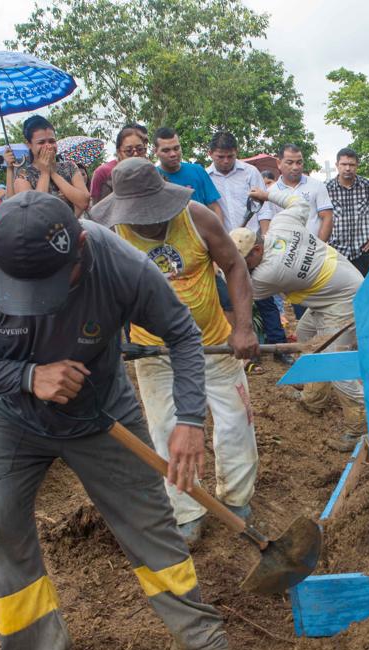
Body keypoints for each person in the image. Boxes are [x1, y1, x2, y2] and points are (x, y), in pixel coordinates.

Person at [0, 191, 255, 650]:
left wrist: (188, 421)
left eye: (54, 283)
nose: (39, 304)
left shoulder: (122, 264)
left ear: (80, 246)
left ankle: (202, 643)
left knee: (151, 524)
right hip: (12, 419)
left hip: (101, 414)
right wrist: (29, 377)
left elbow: (182, 334)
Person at [91, 157, 260, 541]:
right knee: (168, 432)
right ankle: (186, 509)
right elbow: (100, 289)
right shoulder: (109, 234)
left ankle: (236, 498)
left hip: (213, 343)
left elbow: (234, 265)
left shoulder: (198, 218)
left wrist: (244, 328)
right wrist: (111, 339)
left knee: (235, 424)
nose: (147, 222)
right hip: (155, 353)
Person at [234, 188, 366, 452]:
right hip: (335, 286)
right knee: (306, 339)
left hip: (344, 300)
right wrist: (267, 194)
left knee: (335, 364)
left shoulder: (266, 275)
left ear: (258, 249)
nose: (237, 266)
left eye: (240, 261)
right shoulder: (282, 225)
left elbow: (236, 289)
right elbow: (298, 201)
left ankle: (361, 423)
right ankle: (314, 397)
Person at [206, 131, 292, 363]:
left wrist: (265, 234)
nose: (225, 161)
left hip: (252, 242)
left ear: (236, 154)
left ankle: (278, 347)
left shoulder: (249, 172)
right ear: (211, 154)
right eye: (220, 157)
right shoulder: (206, 176)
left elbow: (262, 206)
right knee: (233, 299)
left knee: (265, 296)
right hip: (223, 245)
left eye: (230, 157)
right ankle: (246, 350)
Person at [325, 148, 369, 294]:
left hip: (363, 251)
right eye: (344, 164)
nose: (348, 168)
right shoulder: (327, 188)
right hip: (337, 252)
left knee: (366, 294)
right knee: (340, 296)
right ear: (337, 165)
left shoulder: (367, 186)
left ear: (357, 165)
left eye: (352, 164)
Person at [13, 115, 90, 216]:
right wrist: (44, 173)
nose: (48, 146)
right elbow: (35, 211)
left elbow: (84, 202)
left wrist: (52, 172)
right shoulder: (23, 176)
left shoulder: (70, 167)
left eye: (52, 141)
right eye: (41, 142)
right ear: (29, 145)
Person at [256, 144, 333, 240]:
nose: (295, 167)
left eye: (299, 162)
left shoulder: (317, 186)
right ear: (279, 163)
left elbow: (327, 217)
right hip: (284, 251)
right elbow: (267, 224)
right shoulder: (270, 193)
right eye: (290, 163)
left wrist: (319, 247)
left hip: (315, 250)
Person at [154, 127, 223, 225]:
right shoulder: (152, 178)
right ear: (155, 151)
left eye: (176, 148)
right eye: (166, 150)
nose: (173, 154)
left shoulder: (197, 170)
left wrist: (218, 235)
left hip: (202, 237)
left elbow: (215, 208)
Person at [90, 124, 150, 205]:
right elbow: (96, 207)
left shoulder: (149, 171)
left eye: (140, 149)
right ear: (119, 152)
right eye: (129, 151)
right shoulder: (102, 172)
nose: (135, 154)